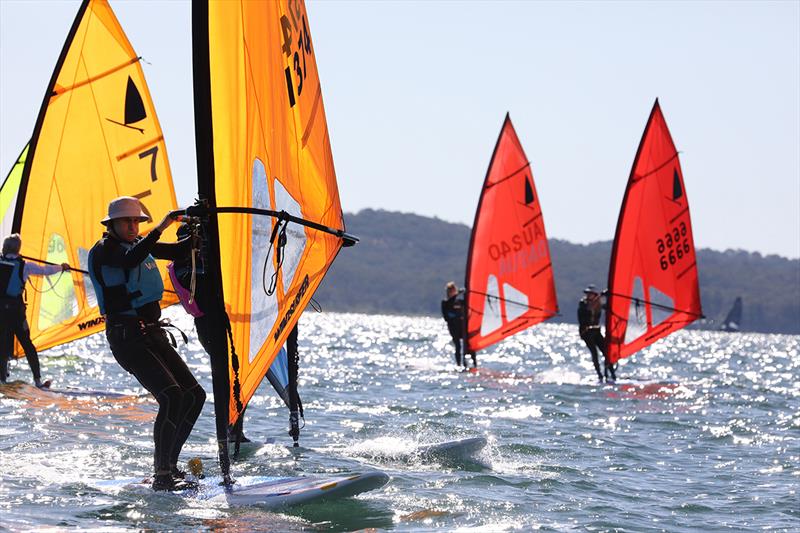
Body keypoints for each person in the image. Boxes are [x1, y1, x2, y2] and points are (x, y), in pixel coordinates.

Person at [87, 196, 205, 491]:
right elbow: (130, 260)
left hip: (152, 333)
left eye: (136, 221)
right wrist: (162, 225)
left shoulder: (138, 244)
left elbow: (179, 251)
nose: (131, 226)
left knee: (194, 395)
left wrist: (199, 227)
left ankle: (170, 466)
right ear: (111, 224)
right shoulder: (106, 251)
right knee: (171, 396)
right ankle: (162, 476)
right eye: (126, 221)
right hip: (127, 338)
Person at [0, 233, 69, 388]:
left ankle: (2, 381)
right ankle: (37, 381)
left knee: (2, 345)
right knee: (27, 345)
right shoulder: (25, 265)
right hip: (16, 313)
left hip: (1, 313)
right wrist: (61, 267)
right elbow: (45, 270)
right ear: (18, 249)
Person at [577, 284, 615, 382]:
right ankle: (600, 375)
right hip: (586, 332)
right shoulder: (583, 303)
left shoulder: (598, 304)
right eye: (588, 294)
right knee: (594, 353)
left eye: (591, 294)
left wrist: (609, 295)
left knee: (606, 352)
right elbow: (589, 308)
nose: (588, 296)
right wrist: (600, 296)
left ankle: (612, 374)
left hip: (596, 331)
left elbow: (609, 307)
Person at [441, 281, 476, 369]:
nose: (452, 292)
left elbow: (468, 304)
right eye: (450, 291)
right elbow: (449, 305)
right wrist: (457, 294)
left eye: (453, 290)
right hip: (453, 327)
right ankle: (459, 365)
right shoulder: (445, 302)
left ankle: (473, 364)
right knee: (458, 346)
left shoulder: (459, 301)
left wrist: (468, 294)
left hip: (462, 326)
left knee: (469, 345)